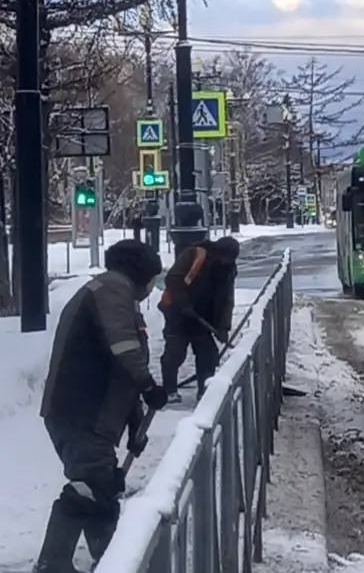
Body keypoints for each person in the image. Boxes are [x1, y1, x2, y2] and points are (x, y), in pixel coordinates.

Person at [35, 240, 167, 573]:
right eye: (152, 277)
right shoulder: (111, 291)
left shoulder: (117, 294)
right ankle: (53, 564)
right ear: (140, 272)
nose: (152, 286)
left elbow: (120, 373)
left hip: (91, 413)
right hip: (80, 411)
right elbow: (124, 349)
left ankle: (111, 559)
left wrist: (135, 422)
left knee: (103, 487)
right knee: (91, 485)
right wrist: (149, 386)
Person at [159, 236, 240, 403]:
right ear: (217, 252)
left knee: (207, 354)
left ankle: (205, 389)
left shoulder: (228, 269)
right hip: (178, 313)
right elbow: (172, 279)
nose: (225, 262)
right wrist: (184, 304)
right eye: (224, 258)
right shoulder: (194, 255)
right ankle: (169, 390)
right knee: (175, 352)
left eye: (229, 259)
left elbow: (227, 299)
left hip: (204, 317)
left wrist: (223, 327)